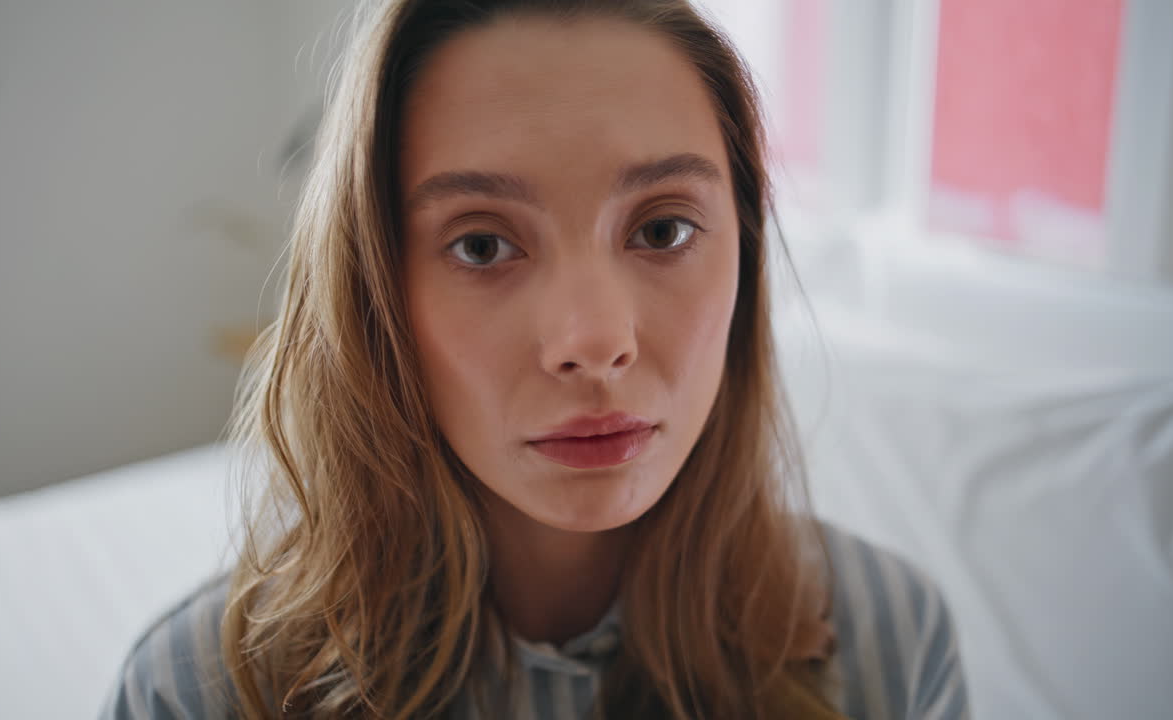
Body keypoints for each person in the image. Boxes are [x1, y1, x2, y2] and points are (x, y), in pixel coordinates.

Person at [100, 0, 970, 717]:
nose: (594, 341)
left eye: (662, 229)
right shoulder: (197, 696)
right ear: (377, 298)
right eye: (482, 245)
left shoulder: (890, 646)